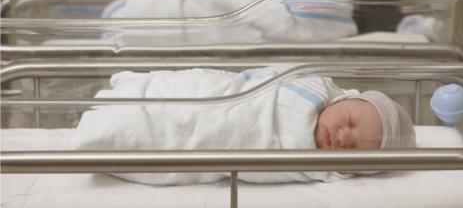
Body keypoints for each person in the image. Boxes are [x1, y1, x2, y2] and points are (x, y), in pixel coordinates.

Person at [71, 66, 416, 185]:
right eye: (350, 122)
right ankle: (138, 95)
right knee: (187, 94)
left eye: (354, 150)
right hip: (220, 96)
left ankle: (113, 130)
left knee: (164, 130)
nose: (343, 138)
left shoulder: (315, 165)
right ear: (342, 99)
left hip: (200, 137)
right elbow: (247, 83)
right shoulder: (309, 89)